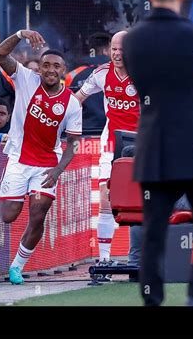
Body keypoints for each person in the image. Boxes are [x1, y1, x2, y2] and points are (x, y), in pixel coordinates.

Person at [122, 0, 193, 306]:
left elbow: (141, 88)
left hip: (155, 146)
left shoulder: (131, 41)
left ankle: (153, 302)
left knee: (153, 232)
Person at [0, 29, 82, 285]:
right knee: (8, 215)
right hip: (19, 160)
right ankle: (13, 191)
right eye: (45, 65)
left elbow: (74, 144)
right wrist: (21, 34)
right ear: (39, 68)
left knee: (38, 213)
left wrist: (57, 171)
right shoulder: (25, 78)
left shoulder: (72, 103)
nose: (50, 69)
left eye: (56, 66)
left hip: (46, 165)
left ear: (64, 70)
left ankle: (17, 267)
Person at [75, 31, 140, 273]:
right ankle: (104, 261)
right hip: (112, 143)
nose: (117, 53)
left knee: (147, 200)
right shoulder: (102, 74)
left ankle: (149, 256)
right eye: (113, 48)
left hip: (144, 145)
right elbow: (78, 99)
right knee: (106, 199)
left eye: (122, 49)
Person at [67, 32, 111, 132]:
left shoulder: (72, 74)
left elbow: (68, 105)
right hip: (112, 131)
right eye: (112, 49)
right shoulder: (119, 73)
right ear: (105, 51)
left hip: (83, 131)